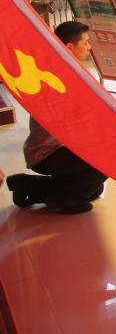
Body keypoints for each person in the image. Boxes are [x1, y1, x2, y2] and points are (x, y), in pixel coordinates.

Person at [5, 21, 108, 215]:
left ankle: (26, 185)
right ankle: (61, 198)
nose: (89, 47)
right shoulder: (60, 77)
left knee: (93, 189)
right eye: (85, 43)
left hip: (58, 147)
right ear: (69, 47)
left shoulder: (66, 70)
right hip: (48, 152)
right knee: (106, 160)